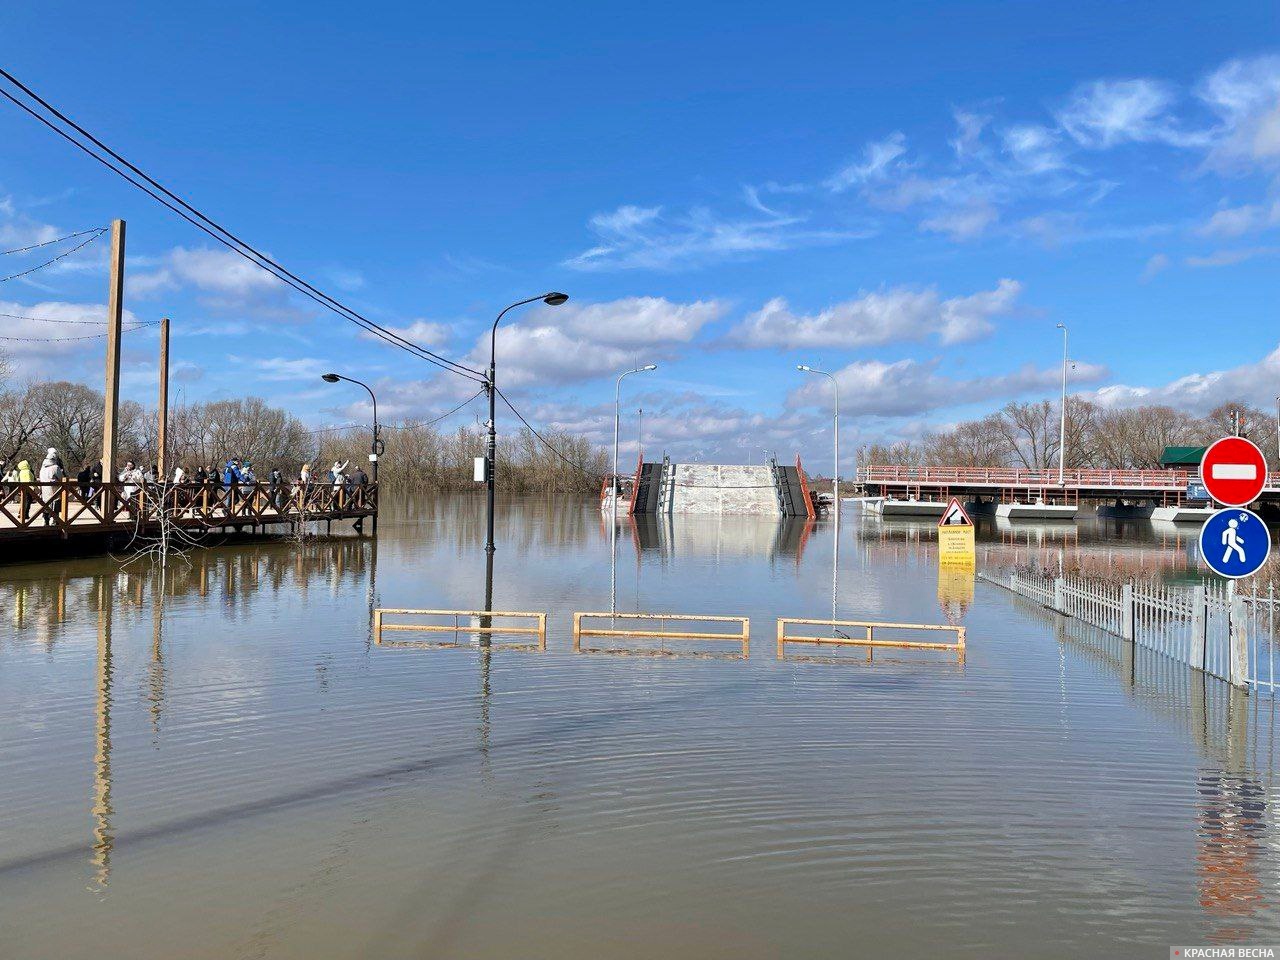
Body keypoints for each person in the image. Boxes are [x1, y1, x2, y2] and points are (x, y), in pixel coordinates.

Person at [38, 448, 65, 526]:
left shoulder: (42, 469)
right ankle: (54, 521)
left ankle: (45, 521)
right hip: (54, 490)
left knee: (46, 506)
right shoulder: (55, 467)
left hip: (45, 490)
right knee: (55, 505)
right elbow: (62, 478)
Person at [15, 458, 33, 522]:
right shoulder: (28, 471)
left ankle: (21, 513)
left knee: (23, 501)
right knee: (28, 501)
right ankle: (26, 514)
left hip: (23, 488)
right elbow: (29, 480)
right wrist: (33, 488)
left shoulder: (21, 472)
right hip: (28, 488)